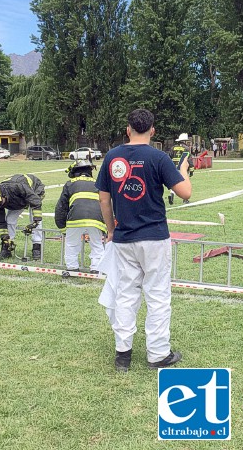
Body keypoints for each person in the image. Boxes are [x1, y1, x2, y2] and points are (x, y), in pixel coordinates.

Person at [96, 108, 192, 372]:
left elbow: (104, 199)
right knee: (158, 295)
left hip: (124, 238)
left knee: (126, 295)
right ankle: (158, 354)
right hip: (154, 238)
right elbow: (185, 192)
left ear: (128, 129)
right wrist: (182, 168)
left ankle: (123, 355)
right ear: (153, 130)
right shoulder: (159, 157)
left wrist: (111, 229)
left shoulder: (112, 157)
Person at [55, 159, 107, 274]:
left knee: (71, 244)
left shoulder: (70, 184)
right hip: (96, 221)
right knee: (97, 244)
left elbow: (61, 207)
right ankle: (96, 269)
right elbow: (106, 203)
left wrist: (62, 227)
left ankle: (72, 268)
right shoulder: (98, 183)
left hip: (75, 220)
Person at [0, 174, 45, 261]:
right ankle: (6, 248)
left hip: (34, 189)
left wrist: (35, 222)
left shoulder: (17, 187)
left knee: (34, 216)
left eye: (0, 203)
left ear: (2, 195)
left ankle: (37, 246)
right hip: (17, 200)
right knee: (10, 220)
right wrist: (5, 238)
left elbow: (35, 202)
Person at [167, 133, 194, 205]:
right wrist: (191, 170)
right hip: (182, 168)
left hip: (174, 167)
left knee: (174, 182)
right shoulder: (186, 148)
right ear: (184, 141)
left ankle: (172, 194)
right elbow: (189, 160)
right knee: (184, 183)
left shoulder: (173, 148)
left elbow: (169, 158)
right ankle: (185, 200)